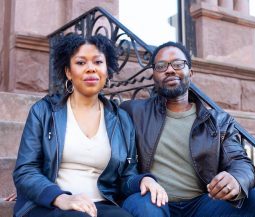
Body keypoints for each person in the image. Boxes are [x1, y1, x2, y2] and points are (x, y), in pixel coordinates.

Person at [120, 41, 255, 217]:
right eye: (161, 66)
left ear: (190, 73)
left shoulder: (218, 122)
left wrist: (236, 180)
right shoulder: (133, 112)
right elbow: (119, 164)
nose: (170, 70)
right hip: (152, 199)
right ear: (154, 75)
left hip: (203, 204)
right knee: (145, 208)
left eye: (178, 64)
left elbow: (240, 162)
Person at [12, 34, 167, 217]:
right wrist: (62, 198)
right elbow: (26, 170)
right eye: (80, 63)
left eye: (98, 62)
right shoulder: (44, 112)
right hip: (52, 204)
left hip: (101, 205)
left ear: (107, 70)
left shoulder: (122, 120)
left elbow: (126, 176)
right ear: (68, 72)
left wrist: (144, 180)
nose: (91, 69)